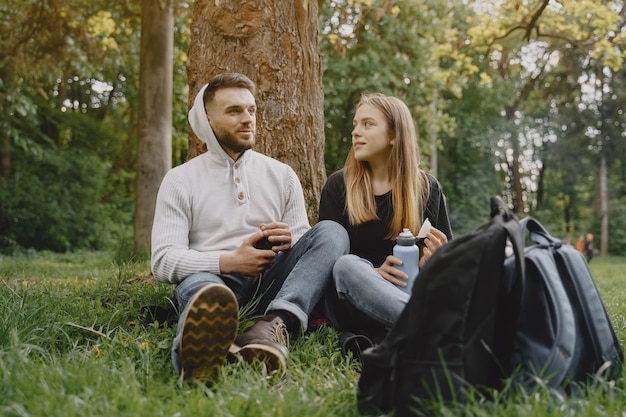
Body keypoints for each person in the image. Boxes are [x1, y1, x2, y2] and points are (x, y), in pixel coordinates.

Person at [151, 72, 349, 383]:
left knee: (332, 233)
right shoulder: (180, 179)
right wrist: (229, 261)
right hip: (213, 281)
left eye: (251, 110)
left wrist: (290, 240)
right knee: (202, 288)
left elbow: (306, 245)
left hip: (272, 281)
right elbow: (163, 261)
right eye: (234, 111)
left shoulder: (282, 174)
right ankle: (196, 362)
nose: (248, 119)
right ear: (206, 121)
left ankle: (273, 324)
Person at [319, 93, 453, 355]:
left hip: (408, 293)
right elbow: (327, 261)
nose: (356, 132)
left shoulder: (427, 188)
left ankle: (415, 327)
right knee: (347, 266)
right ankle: (434, 332)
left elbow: (447, 269)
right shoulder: (339, 186)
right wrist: (374, 274)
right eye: (355, 125)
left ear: (394, 135)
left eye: (368, 124)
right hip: (353, 298)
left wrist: (435, 261)